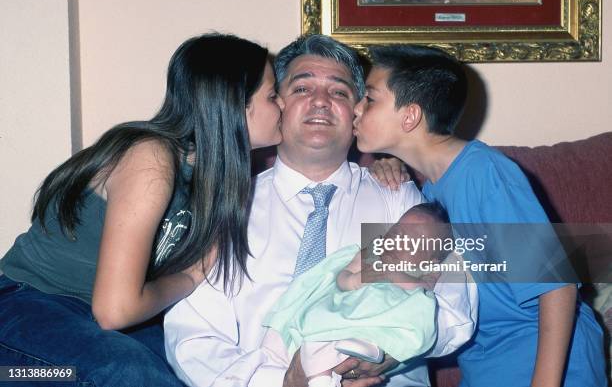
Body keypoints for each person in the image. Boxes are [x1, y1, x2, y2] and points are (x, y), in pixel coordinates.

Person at [164, 34, 477, 387]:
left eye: (339, 92)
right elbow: (193, 338)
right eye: (301, 89)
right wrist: (285, 381)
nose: (320, 102)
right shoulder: (225, 207)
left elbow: (455, 305)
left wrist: (390, 351)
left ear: (358, 111)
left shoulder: (399, 201)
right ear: (276, 103)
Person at [0, 33, 282, 387]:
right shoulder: (152, 158)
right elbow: (115, 310)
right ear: (233, 103)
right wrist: (190, 277)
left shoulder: (226, 179)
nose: (284, 105)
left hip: (97, 318)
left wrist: (376, 171)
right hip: (28, 303)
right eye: (274, 95)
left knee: (188, 369)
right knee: (129, 372)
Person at [352, 44, 606, 387]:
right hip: (486, 364)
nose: (356, 108)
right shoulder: (428, 195)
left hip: (545, 362)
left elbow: (557, 286)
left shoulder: (485, 173)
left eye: (370, 99)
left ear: (409, 117)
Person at [256, 203, 454, 387]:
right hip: (349, 309)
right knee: (318, 337)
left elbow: (423, 294)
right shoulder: (370, 254)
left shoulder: (424, 274)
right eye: (396, 232)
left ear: (431, 261)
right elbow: (342, 277)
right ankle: (321, 380)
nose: (398, 242)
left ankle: (368, 346)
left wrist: (392, 272)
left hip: (383, 319)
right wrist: (353, 280)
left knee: (417, 311)